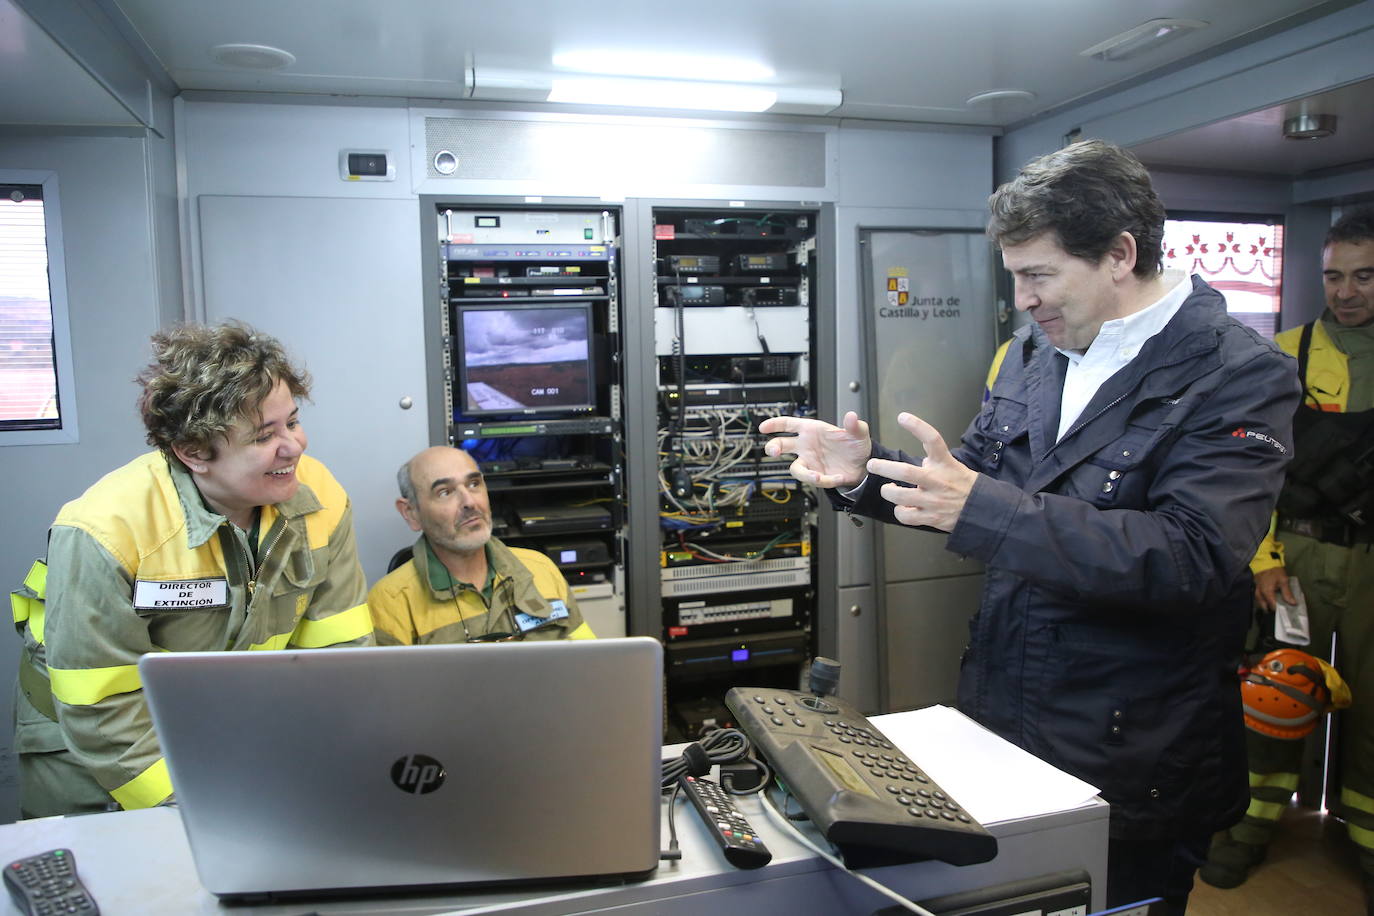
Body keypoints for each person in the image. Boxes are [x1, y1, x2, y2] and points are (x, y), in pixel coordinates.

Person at [760, 139, 1300, 914]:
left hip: (1133, 750)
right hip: (1004, 718)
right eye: (1015, 276)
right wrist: (863, 475)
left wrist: (979, 504)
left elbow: (1193, 556)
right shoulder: (1036, 352)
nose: (1023, 299)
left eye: (1038, 275)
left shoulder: (1237, 373)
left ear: (1121, 254)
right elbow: (975, 482)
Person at [10, 322, 373, 818]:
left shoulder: (321, 497)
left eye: (292, 421)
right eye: (265, 435)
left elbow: (339, 657)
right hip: (91, 751)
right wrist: (194, 808)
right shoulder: (104, 531)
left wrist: (333, 767)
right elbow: (102, 711)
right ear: (193, 452)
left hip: (224, 725)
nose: (295, 446)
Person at [1200, 208, 1374, 907]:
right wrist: (1264, 558)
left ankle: (1362, 835)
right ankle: (1243, 833)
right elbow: (1250, 469)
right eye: (1334, 276)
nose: (1347, 291)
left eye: (1364, 276)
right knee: (1273, 697)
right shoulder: (1283, 351)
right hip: (1291, 557)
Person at [367, 446, 594, 644]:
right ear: (411, 513)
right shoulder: (391, 602)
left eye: (474, 484)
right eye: (445, 492)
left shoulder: (541, 569)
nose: (469, 502)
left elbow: (590, 665)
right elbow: (392, 693)